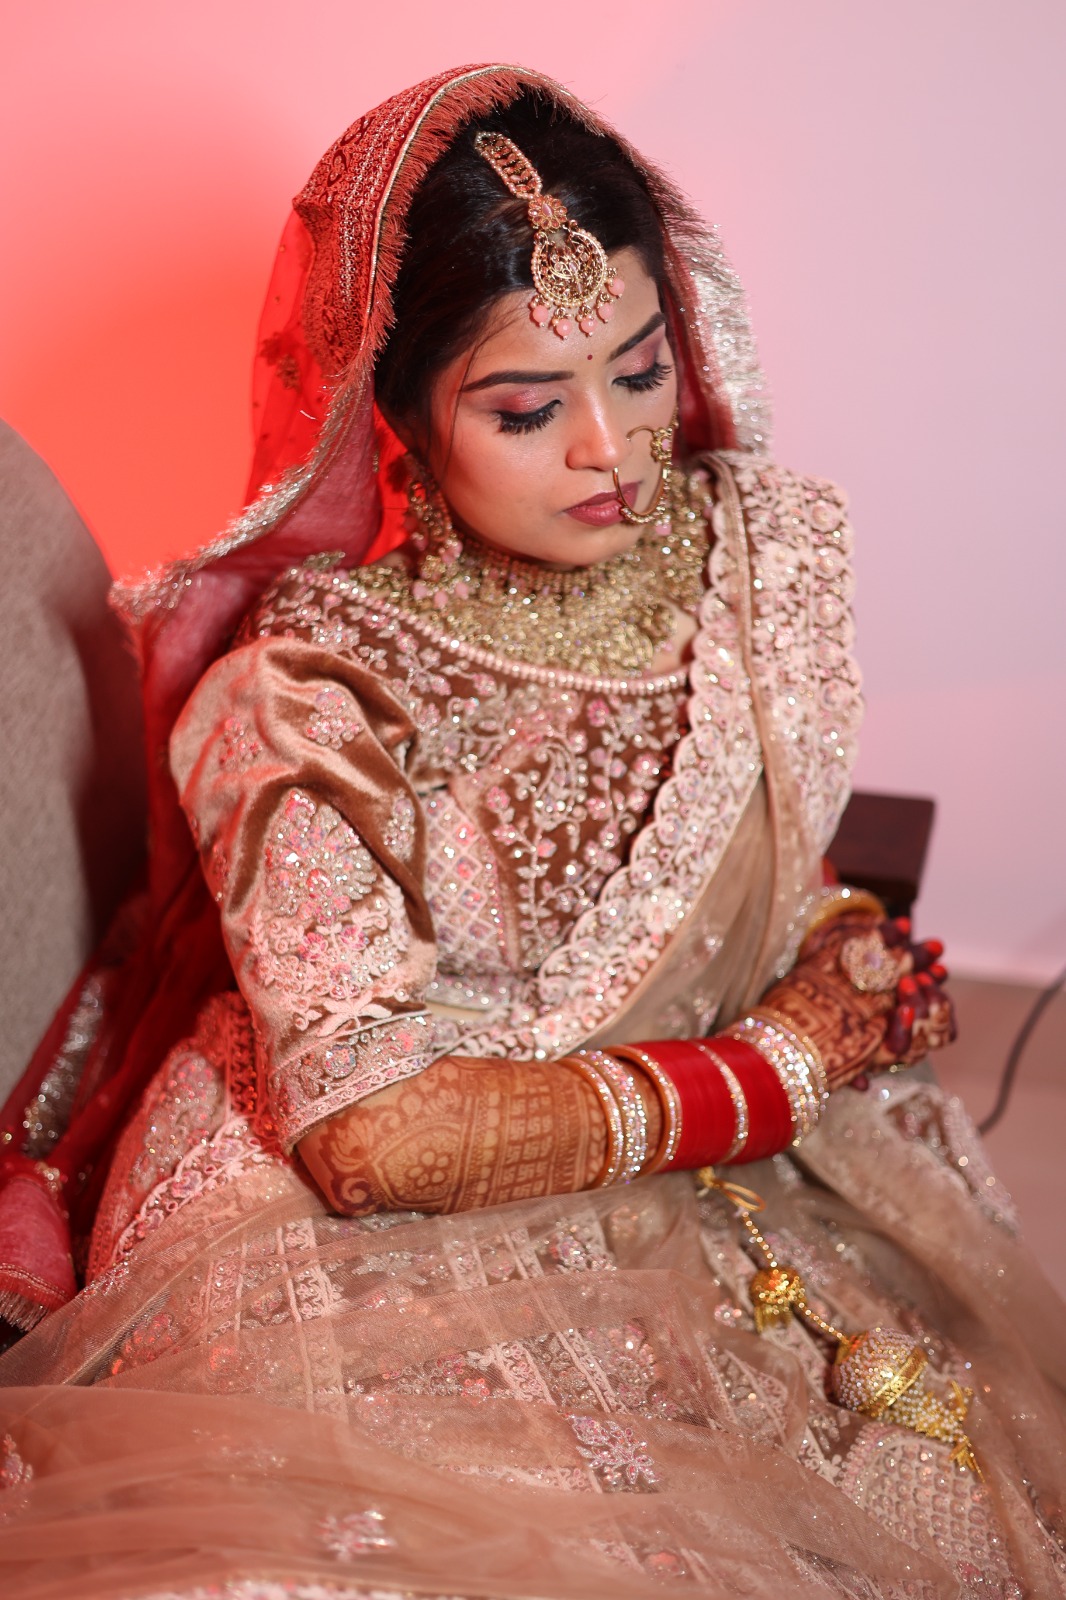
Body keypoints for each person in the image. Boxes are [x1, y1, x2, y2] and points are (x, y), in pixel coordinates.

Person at [0, 64, 1063, 1600]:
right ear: (401, 420)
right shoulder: (304, 697)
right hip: (373, 1190)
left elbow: (763, 857)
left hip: (711, 1133)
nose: (611, 451)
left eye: (637, 373)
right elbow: (370, 1140)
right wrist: (781, 1067)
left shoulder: (736, 552)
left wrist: (836, 947)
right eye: (524, 407)